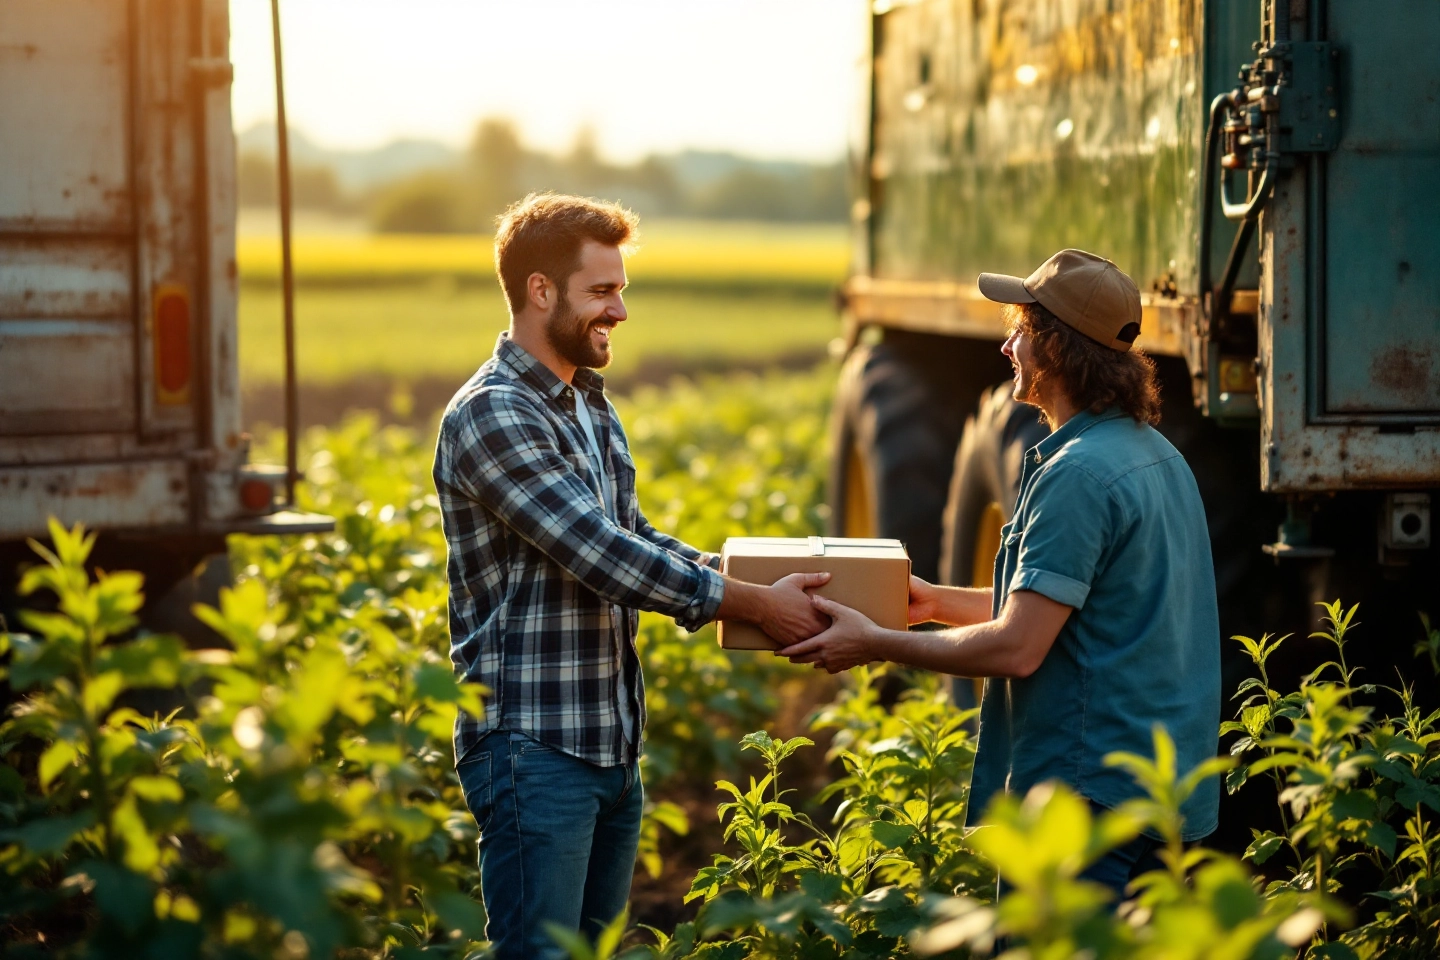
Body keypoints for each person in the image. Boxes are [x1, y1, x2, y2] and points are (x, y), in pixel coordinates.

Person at [433, 193, 830, 958]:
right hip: (533, 747)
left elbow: (634, 535)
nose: (620, 311)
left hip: (609, 747)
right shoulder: (493, 413)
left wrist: (771, 577)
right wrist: (751, 604)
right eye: (603, 292)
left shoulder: (587, 403)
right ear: (540, 291)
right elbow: (598, 554)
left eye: (622, 290)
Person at [780, 249, 1221, 900]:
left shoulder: (1077, 475)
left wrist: (873, 642)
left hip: (1085, 803)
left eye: (1020, 331)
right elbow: (1070, 605)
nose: (1007, 346)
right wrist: (935, 603)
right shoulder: (1152, 455)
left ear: (1056, 349)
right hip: (1158, 795)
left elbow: (1019, 646)